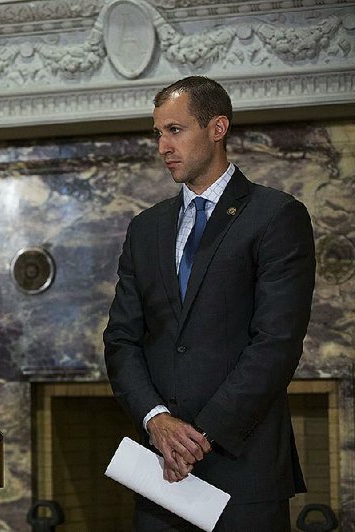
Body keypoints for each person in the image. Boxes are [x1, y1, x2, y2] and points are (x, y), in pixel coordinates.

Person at [103, 76, 315, 530]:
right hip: (160, 475)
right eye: (158, 132)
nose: (162, 146)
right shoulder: (145, 228)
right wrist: (157, 421)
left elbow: (276, 343)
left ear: (217, 128)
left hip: (244, 475)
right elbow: (121, 339)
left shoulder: (276, 216)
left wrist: (199, 437)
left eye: (175, 130)